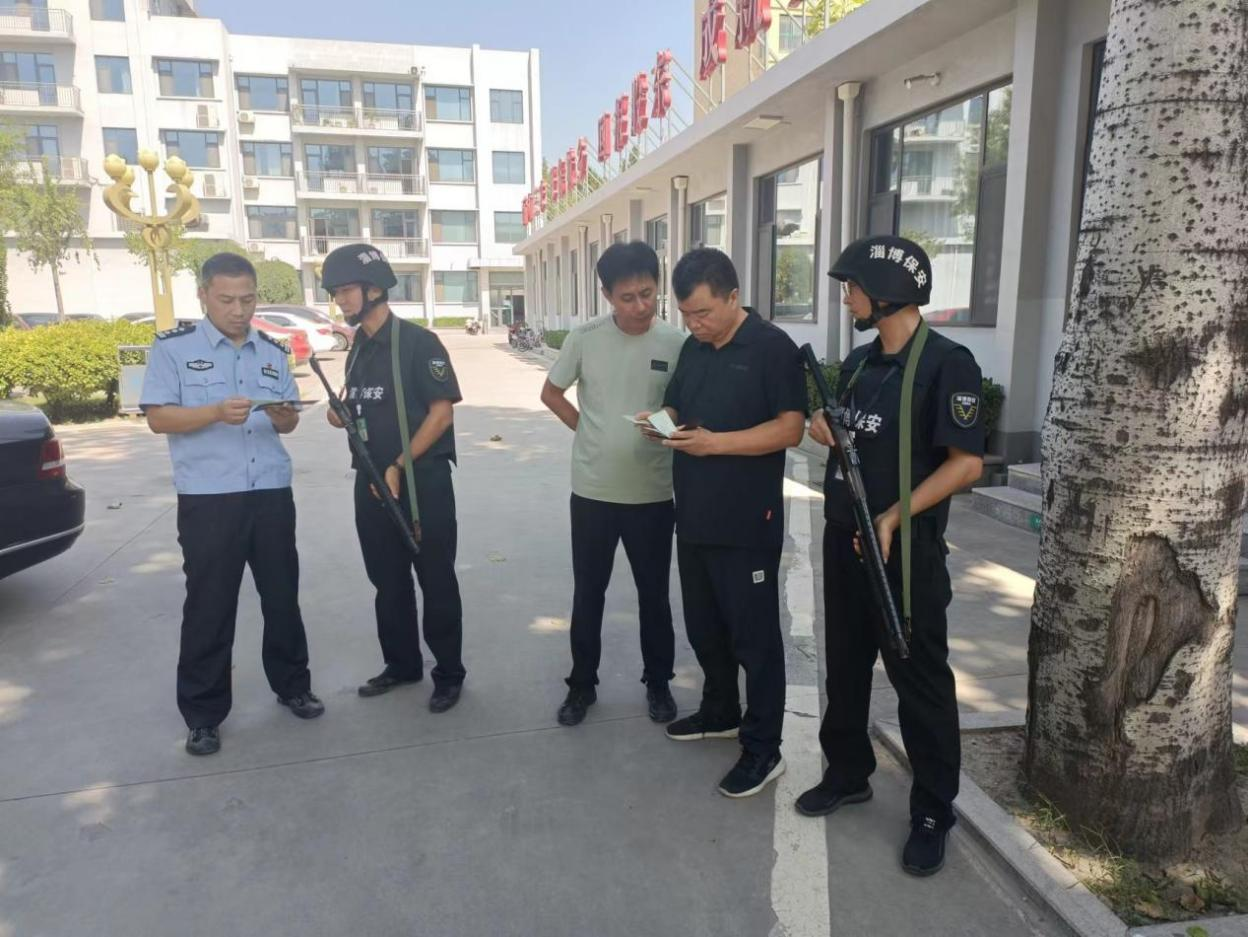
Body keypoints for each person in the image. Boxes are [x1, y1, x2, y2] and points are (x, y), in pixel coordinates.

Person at [797, 235, 984, 877]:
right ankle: (848, 772)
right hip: (844, 537)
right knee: (845, 666)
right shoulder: (858, 363)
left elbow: (966, 464)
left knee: (919, 678)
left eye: (852, 287)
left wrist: (894, 515)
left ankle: (932, 811)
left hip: (904, 551)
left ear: (886, 293)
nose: (846, 297)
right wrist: (821, 423)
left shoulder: (948, 365)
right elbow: (843, 427)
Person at [140, 252, 323, 757]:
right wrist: (215, 412)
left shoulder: (272, 351)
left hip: (270, 491)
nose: (239, 310)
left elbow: (288, 421)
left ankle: (293, 686)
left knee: (282, 596)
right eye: (226, 300)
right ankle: (203, 715)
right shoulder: (174, 349)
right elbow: (158, 418)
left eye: (247, 300)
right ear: (203, 295)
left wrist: (284, 417)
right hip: (209, 497)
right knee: (210, 606)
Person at [642, 248, 807, 798]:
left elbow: (789, 429)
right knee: (705, 626)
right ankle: (720, 711)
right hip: (693, 513)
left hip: (746, 520)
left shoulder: (772, 348)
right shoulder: (694, 347)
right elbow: (678, 408)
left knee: (754, 639)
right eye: (686, 314)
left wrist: (716, 444)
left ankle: (764, 748)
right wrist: (659, 424)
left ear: (733, 297)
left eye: (703, 313)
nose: (693, 324)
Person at [540, 241, 686, 727]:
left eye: (648, 293)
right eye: (628, 297)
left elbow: (683, 406)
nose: (640, 306)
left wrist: (664, 423)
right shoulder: (585, 339)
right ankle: (581, 685)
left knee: (654, 596)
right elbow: (551, 392)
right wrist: (587, 430)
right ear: (606, 295)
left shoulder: (676, 343)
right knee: (589, 593)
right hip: (593, 492)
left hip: (652, 493)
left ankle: (658, 683)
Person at [322, 243, 466, 713]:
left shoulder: (419, 344)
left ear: (375, 289)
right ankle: (402, 664)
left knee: (435, 578)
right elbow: (361, 404)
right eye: (336, 292)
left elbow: (441, 414)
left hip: (420, 482)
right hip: (370, 482)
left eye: (346, 290)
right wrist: (340, 414)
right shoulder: (358, 348)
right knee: (387, 579)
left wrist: (399, 464)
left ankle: (448, 673)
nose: (340, 300)